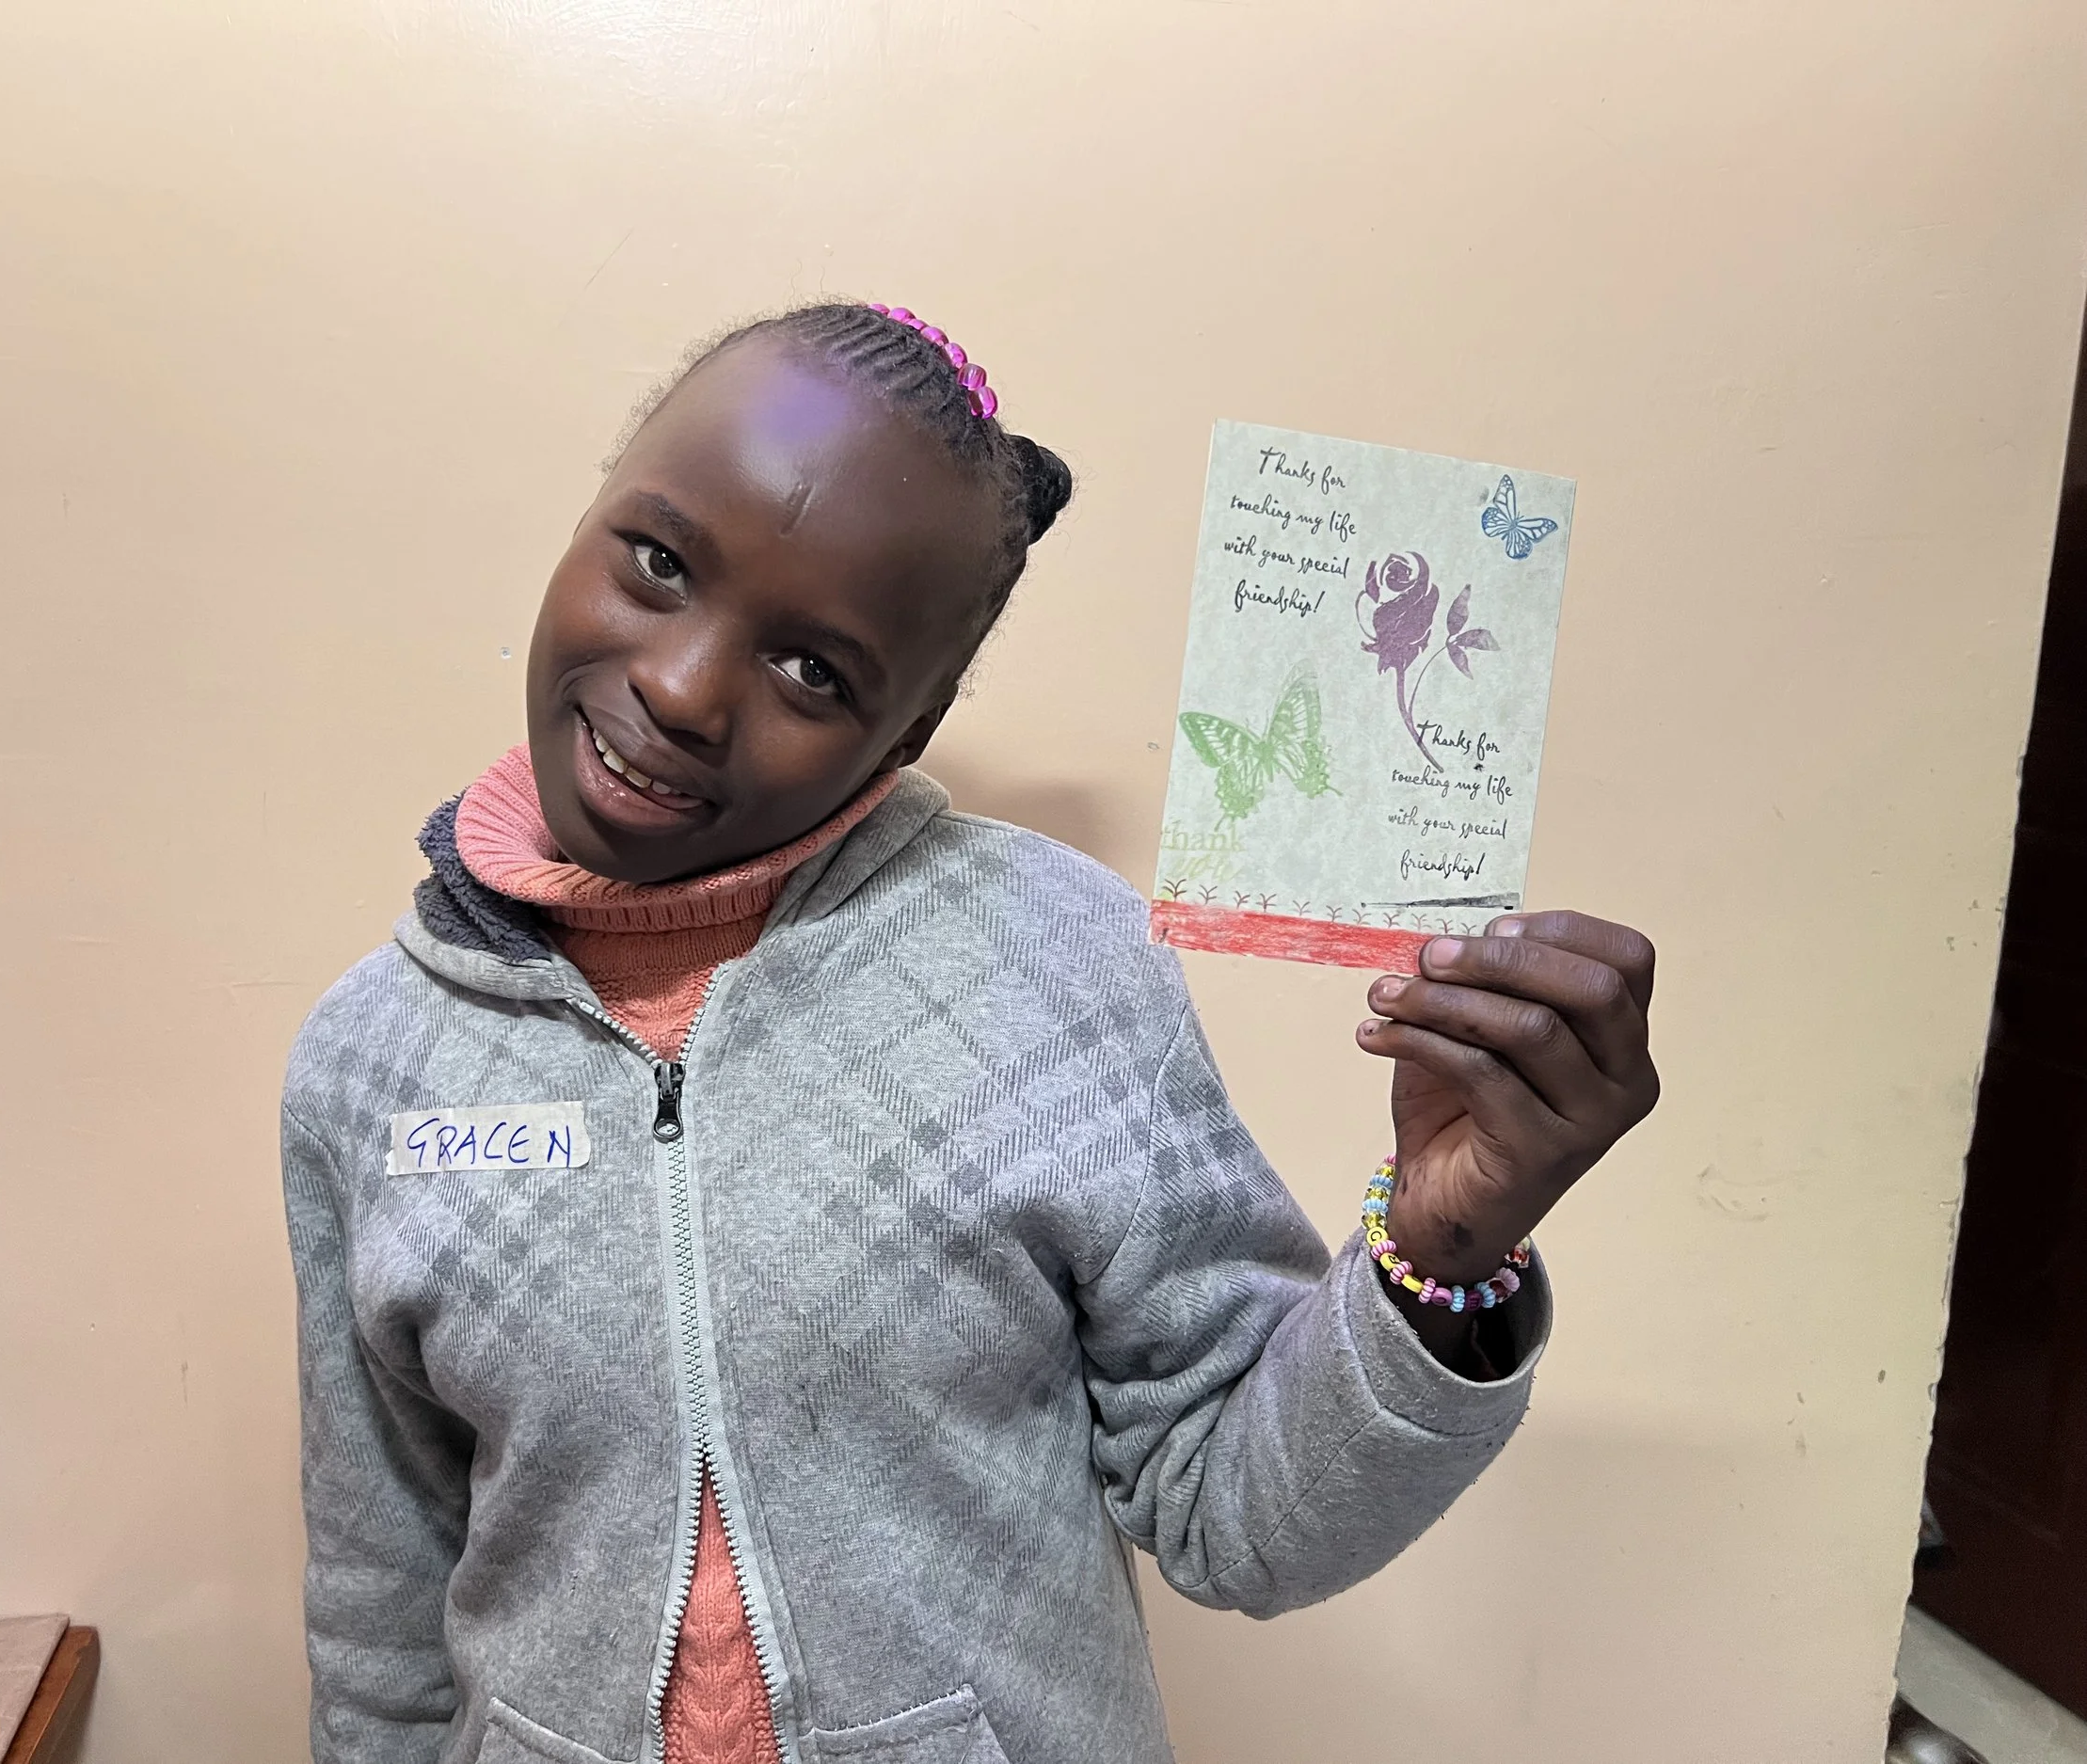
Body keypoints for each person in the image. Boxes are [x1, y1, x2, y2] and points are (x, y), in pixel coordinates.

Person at [281, 302, 1660, 1764]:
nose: (681, 690)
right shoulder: (371, 1059)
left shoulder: (1059, 960)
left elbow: (1238, 1515)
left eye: (816, 671)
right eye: (660, 562)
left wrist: (1444, 1251)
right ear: (588, 521)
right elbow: (382, 1598)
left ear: (909, 729)